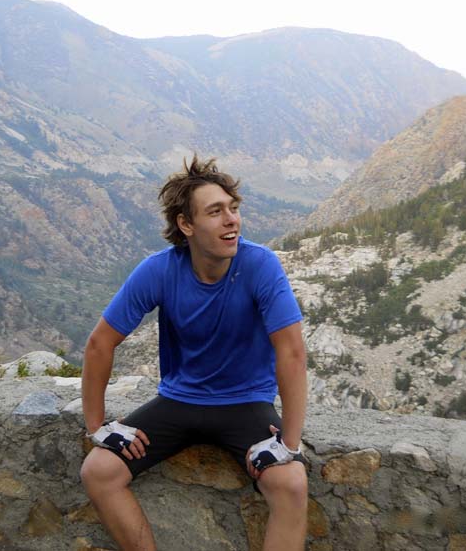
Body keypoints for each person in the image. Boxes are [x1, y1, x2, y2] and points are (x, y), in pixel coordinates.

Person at [80, 154, 308, 551]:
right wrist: (97, 427)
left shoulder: (261, 265)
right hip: (179, 401)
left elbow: (291, 353)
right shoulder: (159, 270)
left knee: (290, 482)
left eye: (233, 209)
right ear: (186, 225)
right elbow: (100, 343)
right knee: (99, 471)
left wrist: (289, 444)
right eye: (216, 212)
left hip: (245, 403)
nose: (232, 220)